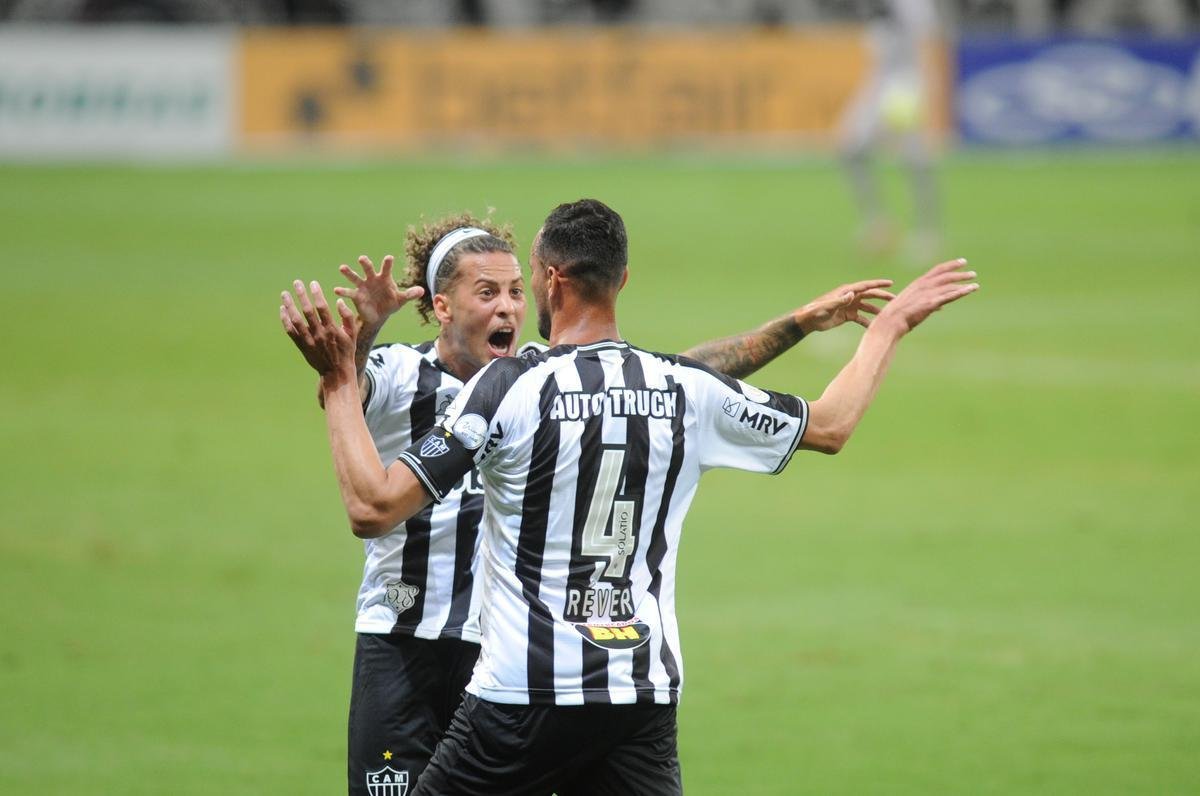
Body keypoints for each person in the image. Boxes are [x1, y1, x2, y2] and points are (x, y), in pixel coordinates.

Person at [285, 198, 976, 793]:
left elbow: (372, 507)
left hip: (521, 690)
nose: (510, 304)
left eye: (519, 285)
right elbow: (824, 422)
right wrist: (887, 327)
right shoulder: (678, 392)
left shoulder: (511, 386)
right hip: (634, 692)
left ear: (549, 281)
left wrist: (338, 374)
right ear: (623, 278)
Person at [840, 0, 941, 261]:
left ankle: (927, 232)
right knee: (850, 148)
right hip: (879, 79)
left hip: (906, 82)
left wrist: (926, 89)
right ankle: (878, 223)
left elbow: (926, 42)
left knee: (914, 158)